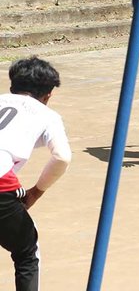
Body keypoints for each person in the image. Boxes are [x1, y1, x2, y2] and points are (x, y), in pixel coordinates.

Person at [0, 57, 72, 290]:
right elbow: (62, 156)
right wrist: (36, 192)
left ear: (12, 85)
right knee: (27, 251)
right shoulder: (46, 115)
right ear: (48, 95)